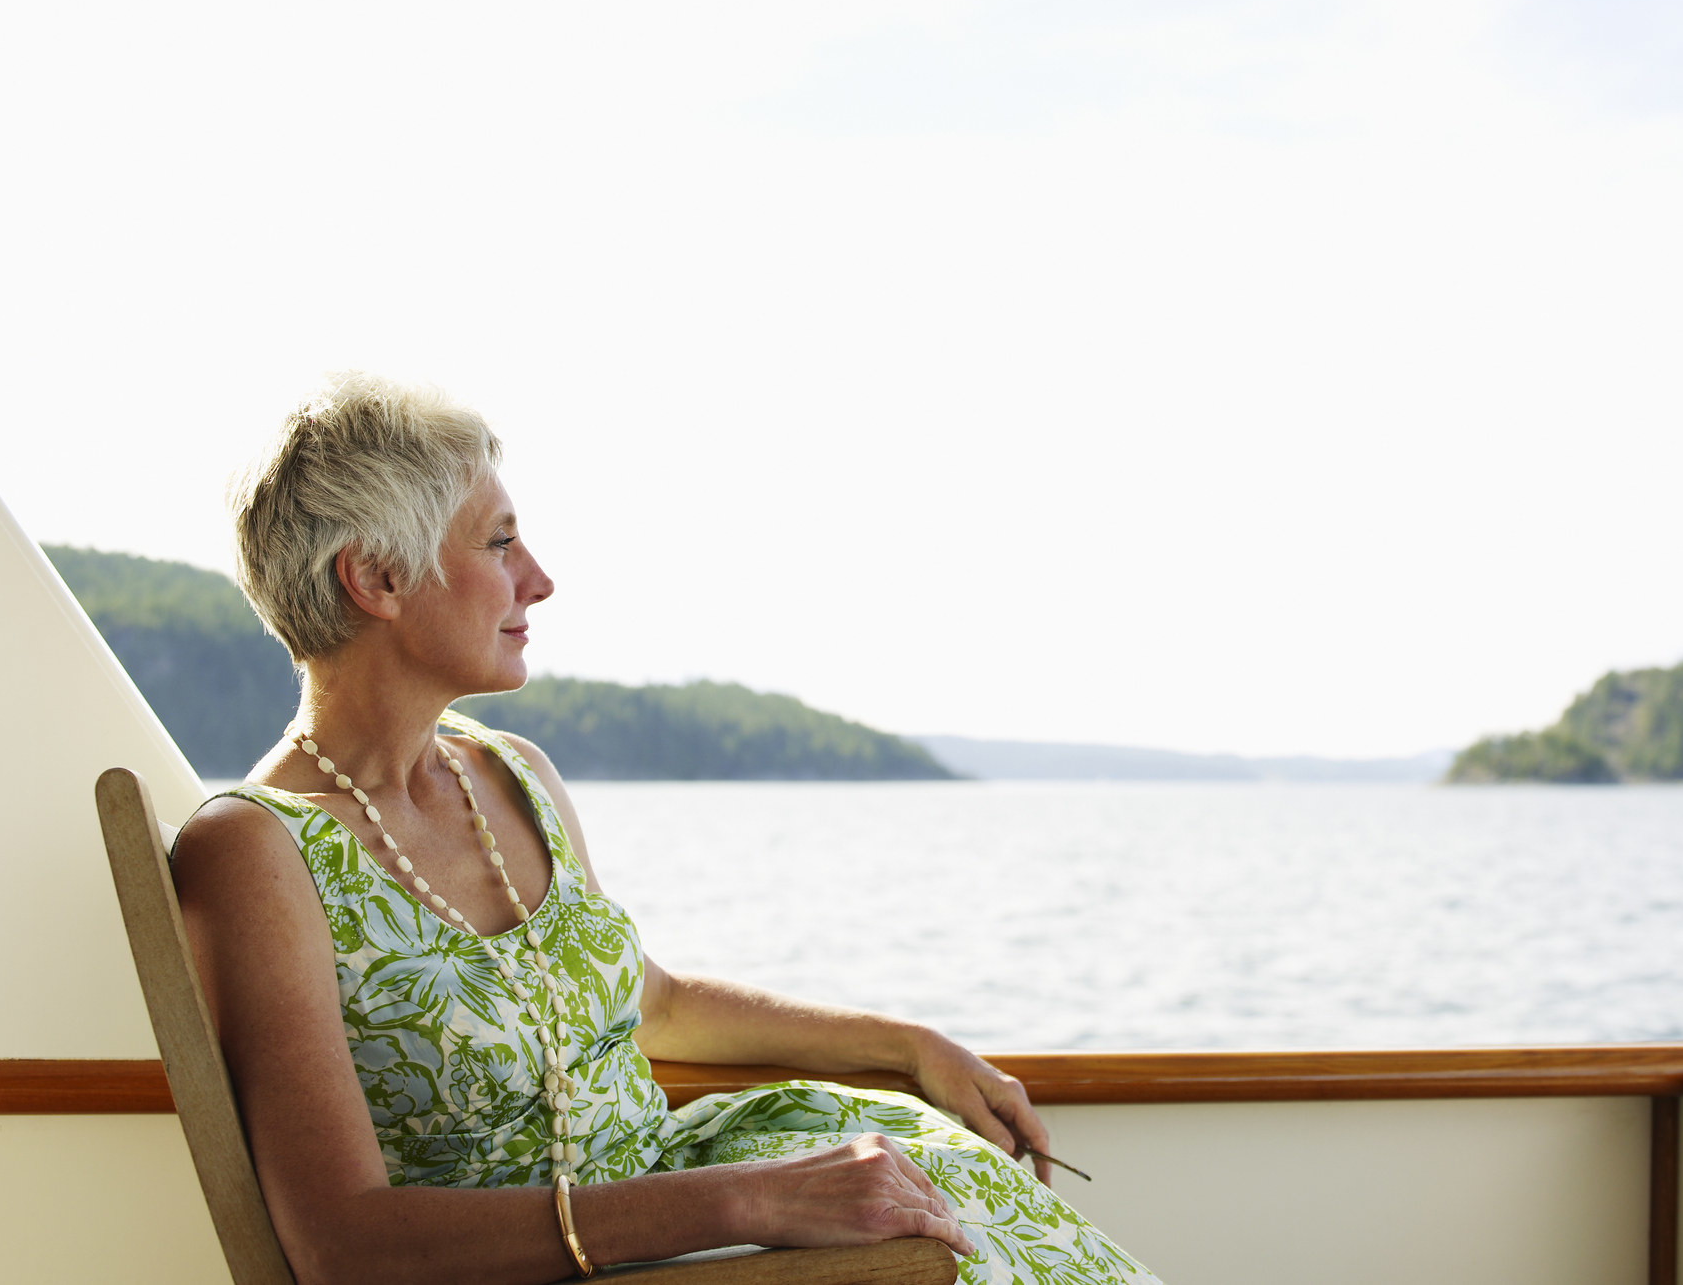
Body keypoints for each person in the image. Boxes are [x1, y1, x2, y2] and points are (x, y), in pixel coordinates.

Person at [173, 372, 1158, 1285]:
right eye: (501, 543)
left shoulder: (507, 772)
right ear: (377, 578)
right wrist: (746, 1198)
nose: (541, 580)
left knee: (984, 1205)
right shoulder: (257, 851)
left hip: (683, 1194)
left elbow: (656, 1004)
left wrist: (908, 1046)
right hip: (629, 1252)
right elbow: (343, 1243)